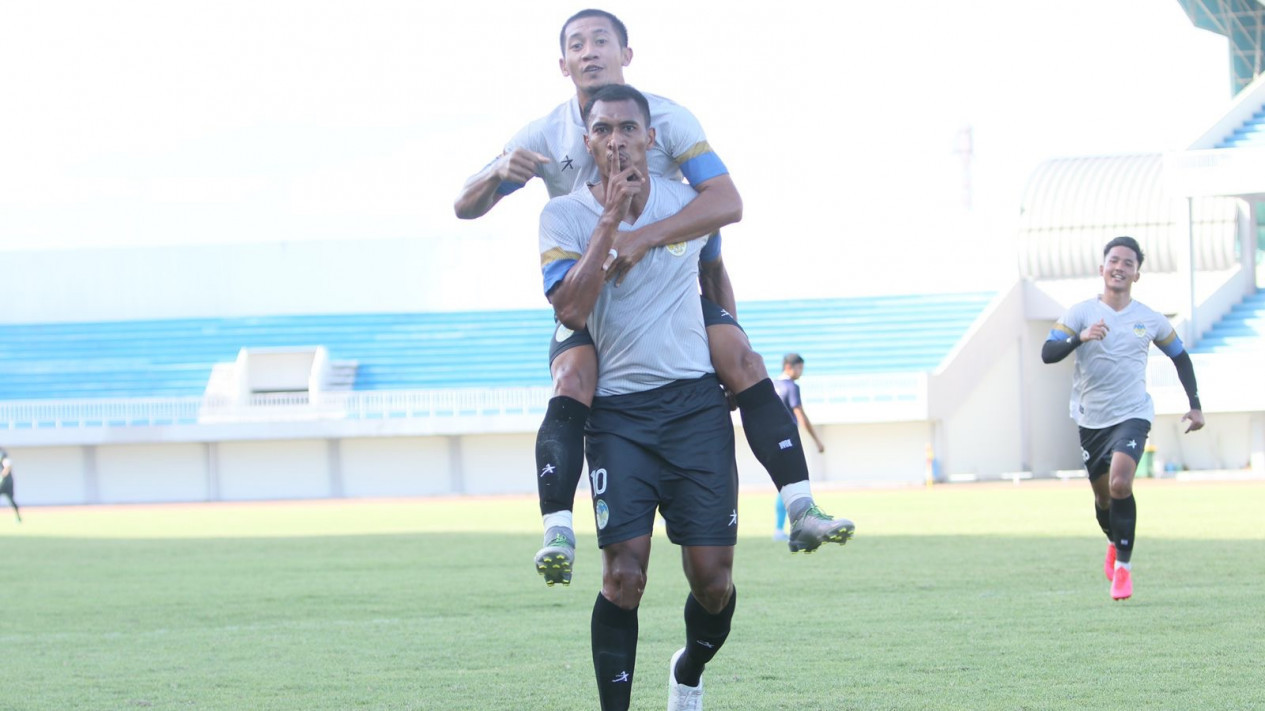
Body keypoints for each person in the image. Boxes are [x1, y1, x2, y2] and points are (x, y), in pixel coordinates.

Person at [454, 9, 853, 585]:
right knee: (572, 380)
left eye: (601, 41)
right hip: (592, 294)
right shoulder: (543, 133)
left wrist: (641, 239)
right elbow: (465, 206)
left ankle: (800, 506)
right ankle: (558, 529)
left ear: (627, 54)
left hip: (668, 291)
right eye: (576, 44)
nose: (589, 51)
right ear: (562, 63)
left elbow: (724, 204)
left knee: (743, 360)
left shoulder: (669, 118)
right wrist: (495, 174)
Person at [541, 83, 738, 711]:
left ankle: (689, 667)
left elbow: (723, 239)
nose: (617, 139)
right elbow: (570, 307)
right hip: (619, 416)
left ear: (651, 138)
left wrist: (731, 343)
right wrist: (610, 223)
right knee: (624, 577)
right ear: (589, 141)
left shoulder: (688, 204)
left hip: (693, 409)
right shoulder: (563, 216)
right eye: (603, 130)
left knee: (713, 584)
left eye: (629, 128)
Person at [1041, 236, 1204, 601]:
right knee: (1103, 500)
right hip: (1090, 419)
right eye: (1114, 260)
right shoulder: (1079, 314)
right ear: (1103, 269)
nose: (1120, 267)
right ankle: (1114, 542)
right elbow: (1048, 353)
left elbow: (1180, 357)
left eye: (1128, 263)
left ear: (1136, 274)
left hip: (1133, 413)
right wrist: (1079, 339)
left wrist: (1195, 404)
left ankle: (1124, 570)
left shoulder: (1149, 319)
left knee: (1120, 484)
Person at [772, 353, 824, 542]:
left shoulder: (770, 385)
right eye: (799, 368)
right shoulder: (791, 387)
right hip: (788, 440)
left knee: (784, 484)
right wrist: (816, 439)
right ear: (788, 366)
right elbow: (799, 414)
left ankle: (781, 528)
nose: (801, 372)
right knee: (792, 484)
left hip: (772, 439)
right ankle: (788, 529)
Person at [0, 449, 21, 523]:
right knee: (11, 500)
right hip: (4, 481)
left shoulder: (2, 454)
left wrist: (2, 476)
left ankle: (18, 517)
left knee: (11, 500)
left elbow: (8, 466)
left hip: (6, 482)